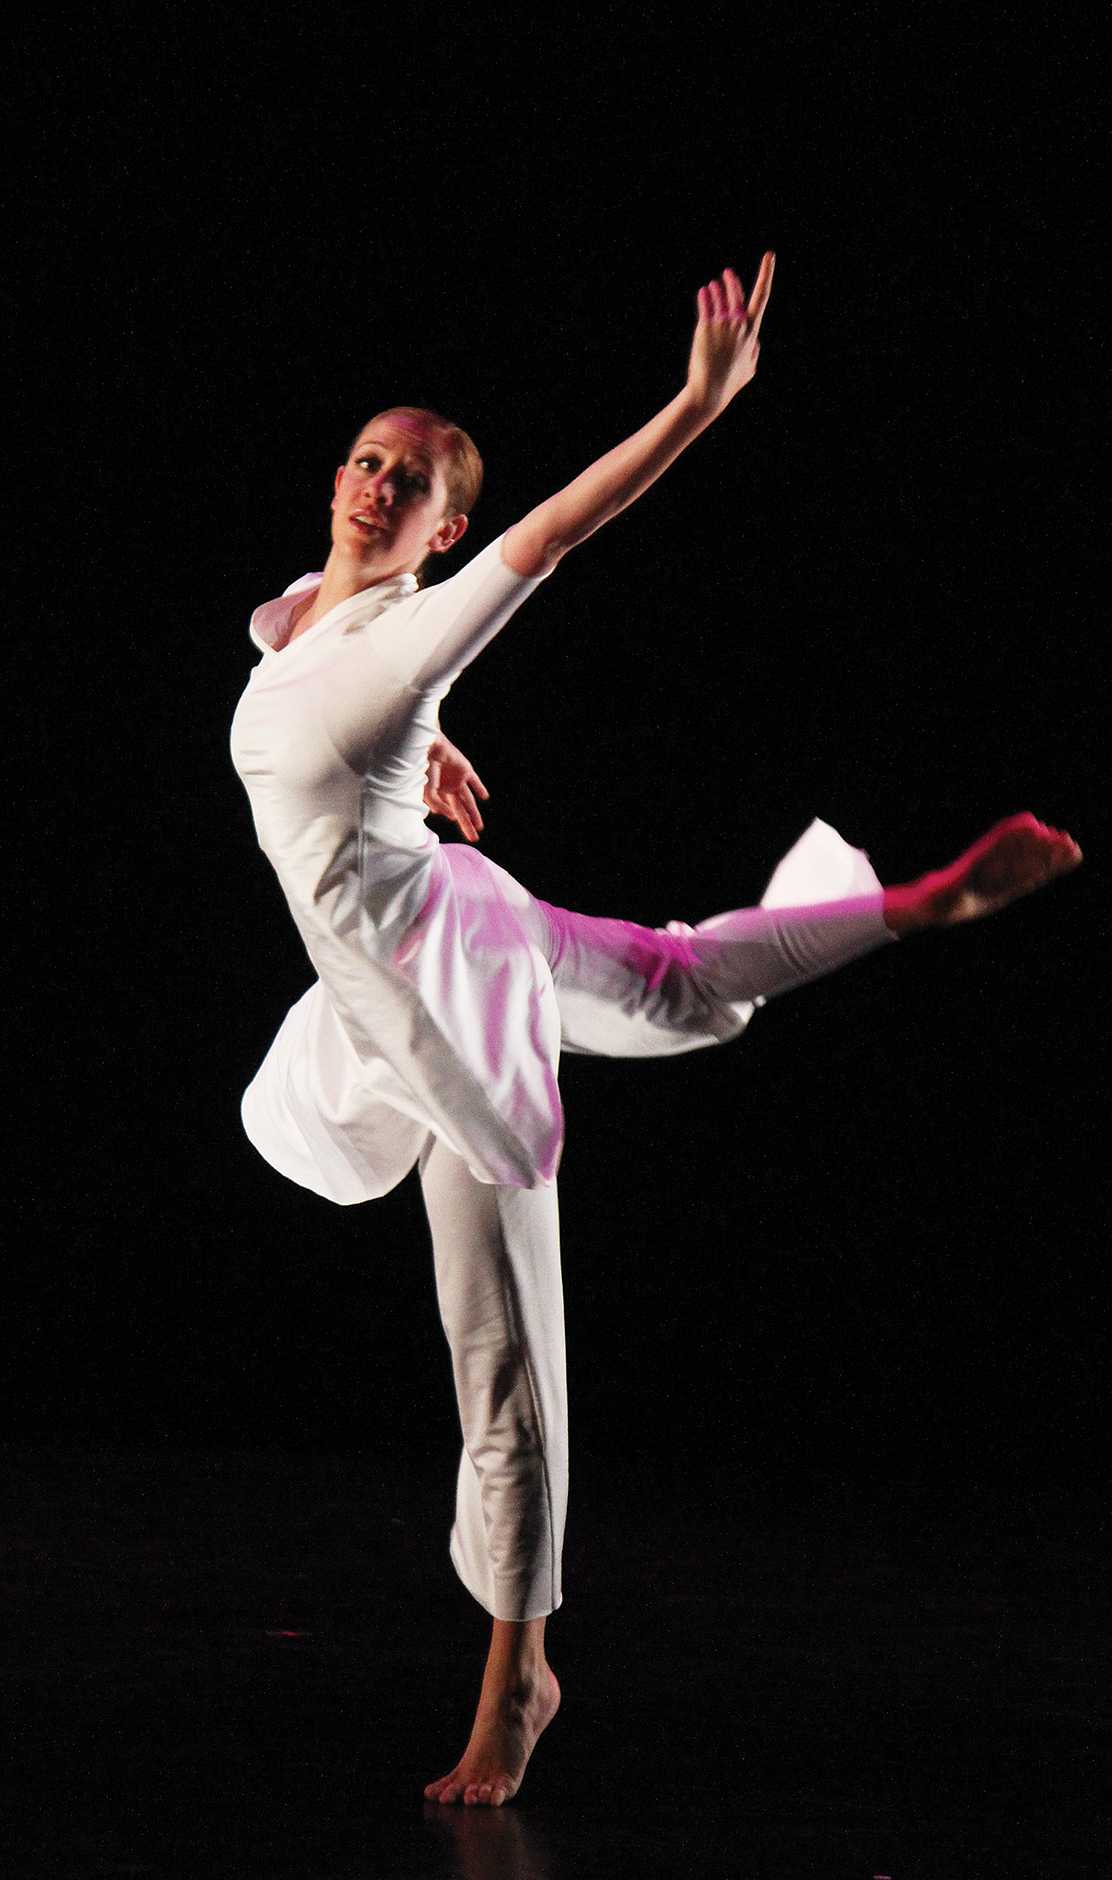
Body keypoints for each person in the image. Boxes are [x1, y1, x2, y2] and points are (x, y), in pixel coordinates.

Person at [229, 254, 1081, 1808]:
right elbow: (306, 666)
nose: (373, 486)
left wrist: (696, 405)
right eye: (365, 458)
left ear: (446, 528)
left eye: (409, 481)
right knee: (680, 984)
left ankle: (517, 1678)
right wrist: (428, 747)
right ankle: (899, 910)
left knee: (502, 1359)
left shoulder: (422, 630)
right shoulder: (311, 615)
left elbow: (555, 537)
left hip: (450, 1012)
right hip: (414, 956)